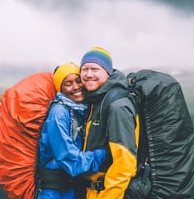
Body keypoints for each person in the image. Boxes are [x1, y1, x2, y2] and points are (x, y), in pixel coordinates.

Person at [37, 62, 108, 199]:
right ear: (61, 89)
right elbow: (68, 157)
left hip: (69, 188)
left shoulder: (80, 110)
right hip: (52, 192)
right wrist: (105, 154)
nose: (76, 87)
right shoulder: (58, 113)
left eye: (77, 80)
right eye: (68, 83)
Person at [78, 47, 138, 199]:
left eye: (95, 69)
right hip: (93, 191)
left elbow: (125, 162)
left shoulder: (117, 106)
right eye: (84, 69)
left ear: (108, 72)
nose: (88, 74)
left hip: (110, 192)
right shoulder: (95, 100)